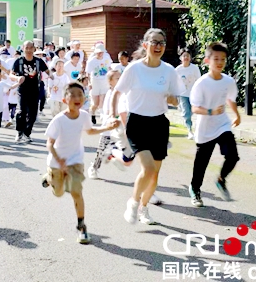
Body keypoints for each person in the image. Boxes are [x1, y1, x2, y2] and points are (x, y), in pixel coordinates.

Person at [110, 28, 184, 225]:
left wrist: (171, 98)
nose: (158, 46)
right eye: (154, 42)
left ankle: (144, 208)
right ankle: (133, 204)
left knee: (154, 174)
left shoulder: (169, 70)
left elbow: (177, 100)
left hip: (159, 123)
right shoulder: (134, 69)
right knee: (149, 169)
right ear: (145, 45)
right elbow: (118, 92)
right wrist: (113, 115)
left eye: (161, 42)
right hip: (137, 123)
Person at [42, 82, 119, 244]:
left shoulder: (84, 115)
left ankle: (81, 227)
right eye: (73, 95)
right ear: (64, 99)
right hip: (57, 162)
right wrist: (58, 159)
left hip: (75, 160)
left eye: (80, 94)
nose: (77, 98)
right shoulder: (59, 120)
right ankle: (49, 178)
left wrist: (106, 127)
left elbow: (90, 131)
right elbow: (49, 143)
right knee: (59, 193)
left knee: (77, 192)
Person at [189, 42, 241, 207]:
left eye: (223, 59)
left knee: (232, 156)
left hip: (222, 124)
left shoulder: (228, 81)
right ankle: (194, 189)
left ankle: (221, 179)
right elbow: (194, 108)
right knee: (201, 163)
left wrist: (237, 115)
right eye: (216, 59)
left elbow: (230, 99)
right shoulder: (201, 83)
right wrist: (210, 111)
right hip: (205, 128)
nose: (220, 62)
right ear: (207, 61)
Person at [12, 41, 51, 144]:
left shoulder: (39, 61)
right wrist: (17, 78)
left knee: (33, 114)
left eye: (31, 48)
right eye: (26, 48)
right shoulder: (18, 61)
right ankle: (19, 132)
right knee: (22, 112)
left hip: (35, 90)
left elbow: (48, 71)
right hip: (22, 90)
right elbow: (11, 75)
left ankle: (27, 133)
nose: (28, 50)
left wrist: (54, 76)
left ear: (34, 49)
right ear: (23, 49)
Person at [176, 48, 202, 140]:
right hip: (183, 94)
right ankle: (189, 131)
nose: (186, 57)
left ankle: (198, 130)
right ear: (180, 58)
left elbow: (199, 81)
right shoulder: (178, 70)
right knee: (186, 113)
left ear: (190, 57)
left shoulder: (195, 68)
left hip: (194, 94)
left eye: (187, 55)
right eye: (184, 56)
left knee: (195, 112)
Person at [86, 44, 112, 124]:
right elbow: (88, 73)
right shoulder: (91, 61)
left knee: (102, 101)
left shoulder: (107, 59)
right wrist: (89, 83)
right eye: (98, 52)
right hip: (95, 82)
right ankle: (92, 114)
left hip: (104, 82)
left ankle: (102, 116)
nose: (100, 54)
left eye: (101, 52)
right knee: (95, 104)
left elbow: (109, 68)